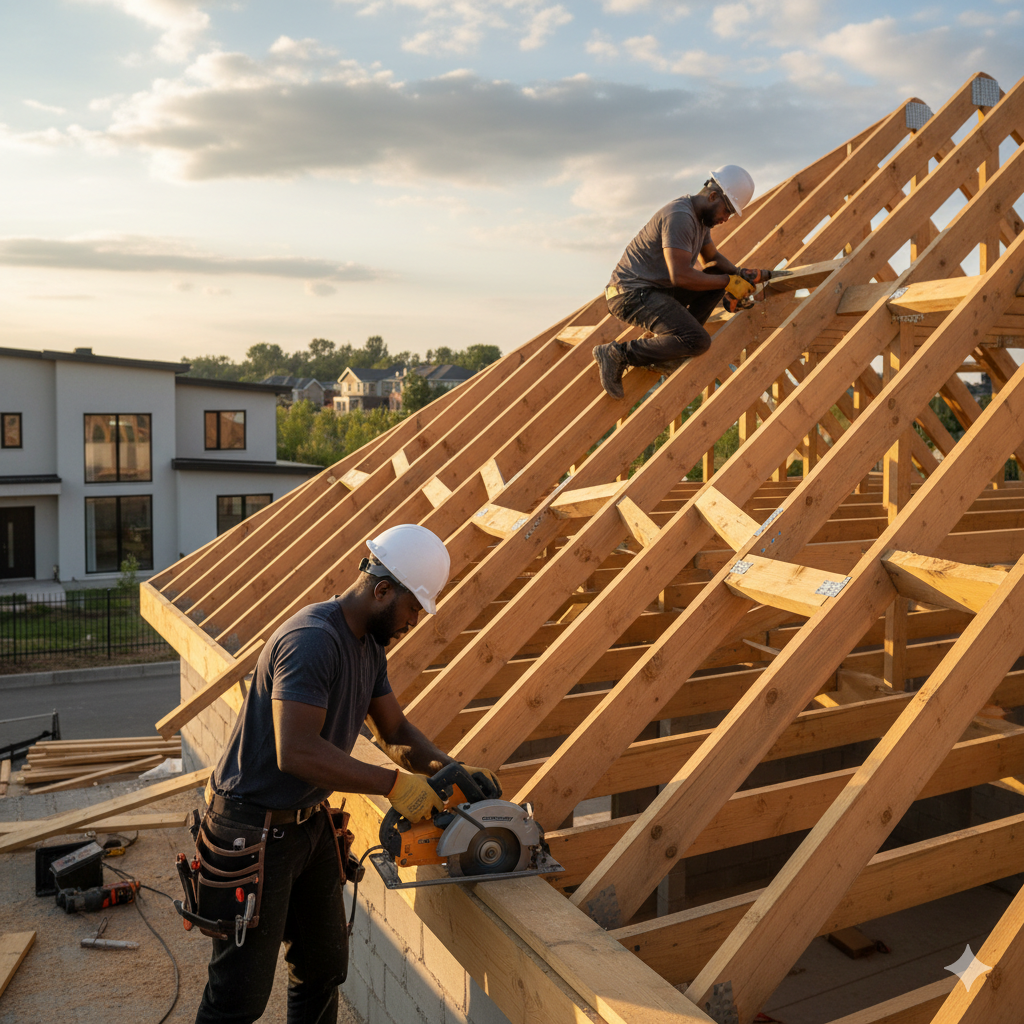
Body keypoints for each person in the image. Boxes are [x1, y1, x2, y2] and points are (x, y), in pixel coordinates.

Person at [191, 523, 498, 1024]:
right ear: (382, 590)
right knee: (238, 997)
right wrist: (393, 784)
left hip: (306, 825)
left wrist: (450, 771)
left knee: (323, 968)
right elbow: (296, 751)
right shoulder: (313, 640)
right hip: (253, 829)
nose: (413, 623)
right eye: (412, 609)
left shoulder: (367, 647)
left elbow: (395, 729)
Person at [593, 164, 773, 399]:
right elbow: (680, 276)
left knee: (716, 272)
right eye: (727, 211)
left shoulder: (699, 221)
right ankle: (618, 354)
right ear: (713, 196)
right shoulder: (680, 216)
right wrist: (727, 281)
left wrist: (739, 274)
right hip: (630, 294)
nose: (726, 219)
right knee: (698, 341)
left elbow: (712, 259)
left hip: (654, 291)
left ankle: (673, 350)